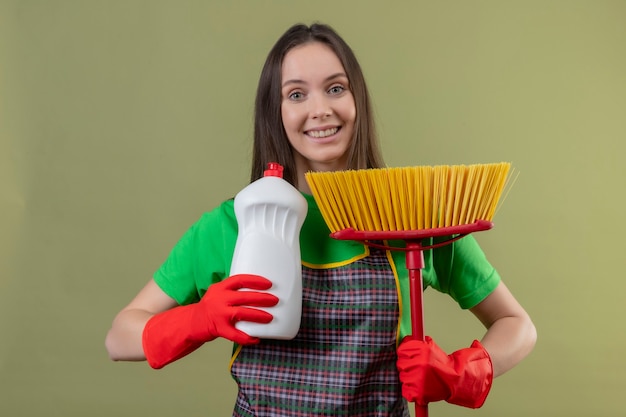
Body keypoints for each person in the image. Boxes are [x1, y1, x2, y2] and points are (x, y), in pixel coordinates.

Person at [105, 22, 536, 416]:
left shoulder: (412, 214)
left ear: (357, 100)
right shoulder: (235, 224)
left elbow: (518, 326)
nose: (320, 109)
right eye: (296, 94)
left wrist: (461, 371)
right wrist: (197, 322)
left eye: (335, 88)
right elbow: (120, 337)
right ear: (276, 112)